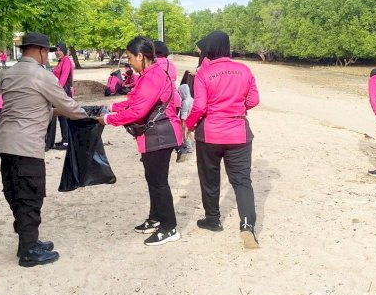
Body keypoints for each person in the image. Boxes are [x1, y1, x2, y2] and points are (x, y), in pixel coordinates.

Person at [0, 32, 87, 267]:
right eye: (47, 51)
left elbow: (27, 106)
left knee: (15, 191)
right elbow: (66, 103)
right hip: (27, 145)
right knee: (30, 195)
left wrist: (53, 112)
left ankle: (28, 241)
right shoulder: (41, 75)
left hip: (6, 142)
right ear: (40, 51)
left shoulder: (10, 73)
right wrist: (87, 117)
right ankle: (29, 252)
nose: (48, 56)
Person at [97, 36, 183, 246]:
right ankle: (156, 218)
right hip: (154, 135)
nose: (129, 63)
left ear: (141, 56)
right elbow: (136, 100)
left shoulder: (153, 75)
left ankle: (169, 227)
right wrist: (113, 107)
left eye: (130, 58)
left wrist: (108, 119)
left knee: (158, 182)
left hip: (161, 135)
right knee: (152, 179)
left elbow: (137, 110)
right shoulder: (148, 74)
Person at [185, 31, 260, 249]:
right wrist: (236, 108)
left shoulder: (204, 73)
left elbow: (199, 106)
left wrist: (188, 126)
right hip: (238, 133)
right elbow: (254, 100)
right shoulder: (245, 70)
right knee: (242, 181)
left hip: (210, 133)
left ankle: (213, 219)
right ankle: (247, 226)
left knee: (209, 177)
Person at [52, 42, 74, 150]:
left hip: (63, 92)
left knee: (64, 116)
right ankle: (65, 139)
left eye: (60, 50)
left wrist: (57, 91)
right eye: (56, 50)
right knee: (61, 116)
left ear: (64, 50)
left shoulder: (66, 61)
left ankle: (66, 142)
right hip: (60, 91)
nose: (57, 52)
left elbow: (64, 78)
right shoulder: (60, 62)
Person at [176, 70, 195, 162]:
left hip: (186, 120)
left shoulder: (185, 101)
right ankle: (189, 146)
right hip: (192, 119)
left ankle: (189, 147)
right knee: (189, 134)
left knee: (186, 134)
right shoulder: (192, 99)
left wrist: (182, 122)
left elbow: (183, 113)